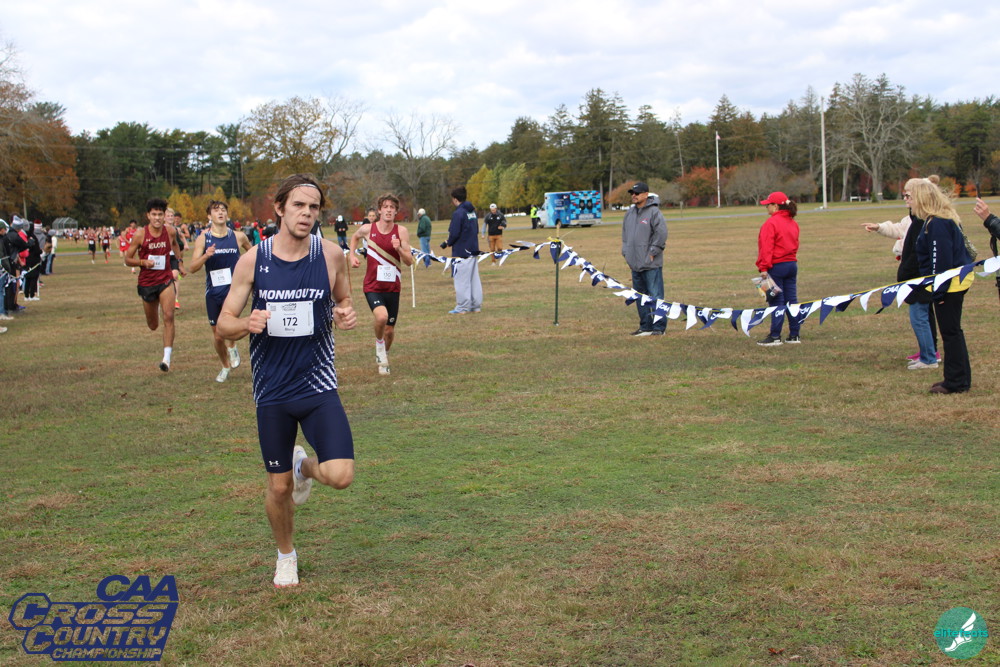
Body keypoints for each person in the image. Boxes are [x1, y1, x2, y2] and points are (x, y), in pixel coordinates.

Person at [216, 173, 357, 588]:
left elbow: (344, 297)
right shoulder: (253, 260)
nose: (307, 214)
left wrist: (345, 312)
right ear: (279, 208)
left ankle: (303, 467)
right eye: (298, 205)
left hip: (317, 387)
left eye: (314, 207)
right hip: (273, 392)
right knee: (278, 489)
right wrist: (247, 323)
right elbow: (223, 323)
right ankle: (286, 555)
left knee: (341, 475)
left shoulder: (330, 255)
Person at [865, 178, 940, 369]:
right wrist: (879, 227)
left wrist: (908, 274)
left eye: (908, 195)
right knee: (920, 318)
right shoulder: (914, 219)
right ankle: (928, 353)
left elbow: (919, 254)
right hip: (914, 278)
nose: (905, 198)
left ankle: (929, 358)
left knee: (920, 318)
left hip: (919, 280)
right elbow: (899, 230)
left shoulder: (924, 221)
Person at [912, 179, 973, 394]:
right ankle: (958, 378)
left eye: (911, 197)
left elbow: (941, 262)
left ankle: (956, 382)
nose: (909, 202)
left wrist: (939, 293)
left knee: (950, 332)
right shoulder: (937, 220)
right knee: (953, 331)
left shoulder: (938, 223)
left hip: (950, 285)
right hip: (952, 283)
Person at [348, 193, 414, 375]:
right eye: (385, 207)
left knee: (390, 331)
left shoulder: (401, 232)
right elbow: (354, 237)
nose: (389, 210)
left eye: (392, 207)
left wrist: (398, 248)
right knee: (381, 317)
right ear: (379, 210)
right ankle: (379, 345)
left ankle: (383, 354)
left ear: (396, 212)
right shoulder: (368, 229)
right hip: (372, 286)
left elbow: (409, 261)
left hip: (393, 287)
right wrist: (352, 255)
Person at [187, 200, 252, 383]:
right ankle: (225, 365)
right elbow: (192, 268)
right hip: (213, 291)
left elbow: (254, 253)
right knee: (217, 335)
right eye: (216, 211)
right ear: (209, 216)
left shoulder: (238, 236)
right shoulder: (203, 238)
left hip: (234, 290)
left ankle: (232, 346)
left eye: (223, 210)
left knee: (229, 324)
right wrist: (206, 256)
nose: (221, 213)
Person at [124, 198, 186, 371]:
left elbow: (175, 246)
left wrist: (179, 263)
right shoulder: (140, 234)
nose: (157, 218)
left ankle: (166, 359)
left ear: (164, 215)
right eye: (154, 214)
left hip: (165, 279)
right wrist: (142, 262)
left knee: (169, 316)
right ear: (148, 216)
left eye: (160, 214)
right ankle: (156, 305)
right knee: (153, 325)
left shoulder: (170, 231)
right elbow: (127, 259)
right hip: (147, 282)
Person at [621, 181, 667, 336]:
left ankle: (659, 328)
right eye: (632, 193)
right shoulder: (629, 213)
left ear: (646, 194)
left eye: (637, 193)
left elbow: (661, 234)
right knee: (640, 296)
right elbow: (625, 236)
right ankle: (645, 326)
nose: (634, 196)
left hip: (651, 263)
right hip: (635, 263)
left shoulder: (654, 212)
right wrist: (626, 252)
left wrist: (653, 252)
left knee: (656, 295)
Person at [755, 191, 800, 346]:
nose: (766, 207)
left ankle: (775, 336)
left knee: (776, 302)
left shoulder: (771, 223)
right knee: (792, 301)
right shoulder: (793, 223)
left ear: (776, 206)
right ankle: (794, 335)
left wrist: (763, 267)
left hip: (776, 266)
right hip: (791, 265)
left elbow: (766, 247)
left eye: (768, 204)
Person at [441, 186, 482, 314]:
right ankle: (475, 305)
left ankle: (462, 307)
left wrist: (448, 243)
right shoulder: (472, 212)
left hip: (462, 252)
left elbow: (454, 233)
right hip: (473, 249)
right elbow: (476, 229)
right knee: (474, 280)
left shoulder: (458, 213)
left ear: (455, 199)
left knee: (461, 280)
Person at [166, 209, 185, 309]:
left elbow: (178, 244)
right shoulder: (160, 228)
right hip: (163, 257)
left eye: (171, 216)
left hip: (173, 256)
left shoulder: (176, 230)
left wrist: (180, 261)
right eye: (168, 215)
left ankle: (175, 300)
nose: (170, 217)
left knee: (175, 276)